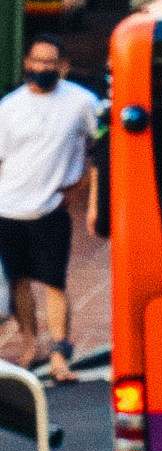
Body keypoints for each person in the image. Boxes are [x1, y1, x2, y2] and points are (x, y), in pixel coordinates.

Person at [0, 46, 101, 390]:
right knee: (19, 281)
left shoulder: (83, 102)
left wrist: (84, 184)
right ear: (26, 63)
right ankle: (31, 345)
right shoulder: (9, 108)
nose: (43, 67)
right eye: (37, 61)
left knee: (54, 280)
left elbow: (103, 143)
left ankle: (60, 352)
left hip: (51, 209)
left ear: (63, 65)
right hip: (8, 207)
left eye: (50, 61)